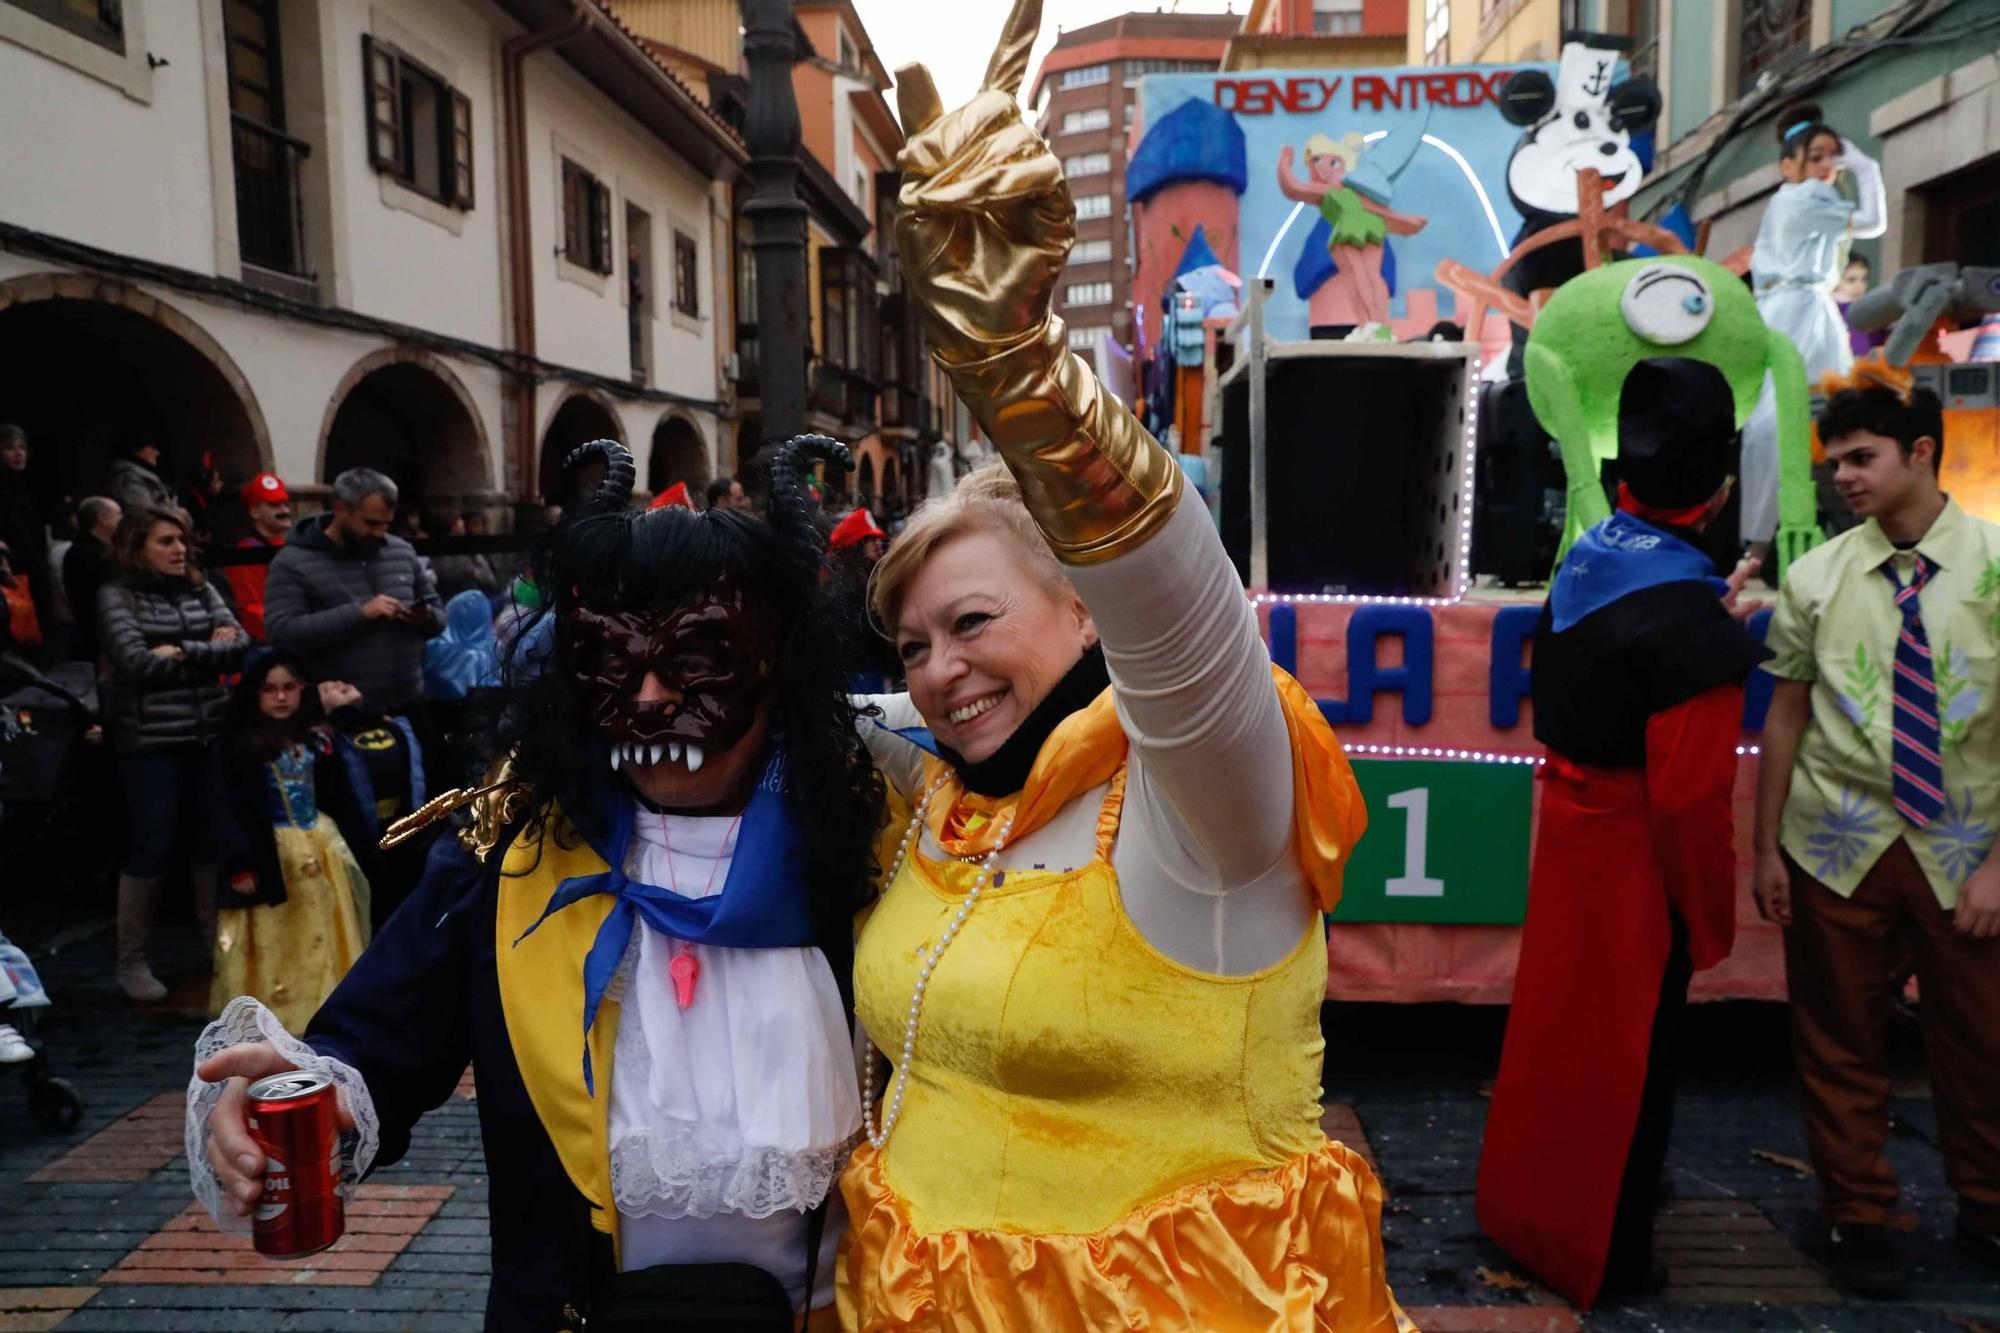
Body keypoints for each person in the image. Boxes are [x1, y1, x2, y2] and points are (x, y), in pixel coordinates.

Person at [835, 12, 1400, 1326]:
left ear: (1084, 613)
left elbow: (1190, 631)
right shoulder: (935, 808)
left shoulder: (1205, 809)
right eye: (912, 644)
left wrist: (1020, 379)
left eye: (973, 623)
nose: (938, 672)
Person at [189, 438, 883, 1331]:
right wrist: (314, 1100)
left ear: (777, 666)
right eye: (611, 662)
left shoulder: (872, 842)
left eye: (697, 658)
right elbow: (381, 1034)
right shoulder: (512, 853)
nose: (647, 699)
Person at [1476, 359, 1772, 1307]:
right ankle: (1603, 1245)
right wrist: (1707, 917)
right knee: (1627, 1058)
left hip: (1571, 841)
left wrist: (1705, 606)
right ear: (1720, 491)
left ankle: (1524, 1199)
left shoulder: (1592, 556)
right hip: (1634, 866)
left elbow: (1632, 629)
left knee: (1553, 1037)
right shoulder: (1692, 625)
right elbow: (1690, 803)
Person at [1755, 360, 2000, 1299]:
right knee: (1838, 1040)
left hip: (1967, 852)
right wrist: (1765, 846)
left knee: (1981, 1042)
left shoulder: (1990, 569)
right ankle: (1859, 1215)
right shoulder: (1816, 575)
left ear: (1922, 453)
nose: (1844, 476)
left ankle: (1986, 1205)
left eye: (1863, 458)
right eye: (1836, 462)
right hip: (1836, 843)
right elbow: (1785, 716)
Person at [98, 505, 248, 1001]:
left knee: (209, 842)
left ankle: (215, 948)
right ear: (137, 546)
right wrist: (205, 647)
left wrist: (180, 652)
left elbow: (238, 645)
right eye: (165, 541)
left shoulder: (202, 589)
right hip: (151, 741)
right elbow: (136, 662)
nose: (179, 549)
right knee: (152, 846)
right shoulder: (116, 596)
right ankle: (131, 960)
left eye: (182, 540)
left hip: (207, 732)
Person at [1739, 102, 1885, 551]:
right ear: (1789, 164)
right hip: (1799, 310)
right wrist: (1867, 169)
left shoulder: (1796, 199)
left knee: (1798, 414)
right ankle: (1767, 539)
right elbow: (1875, 221)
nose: (1828, 165)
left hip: (1796, 307)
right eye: (1816, 156)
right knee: (1793, 415)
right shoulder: (1805, 198)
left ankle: (1760, 539)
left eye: (1832, 155)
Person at [206, 650, 376, 1032]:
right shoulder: (238, 747)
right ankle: (280, 1013)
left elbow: (345, 797)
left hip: (320, 850)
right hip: (271, 855)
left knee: (324, 927)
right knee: (276, 933)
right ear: (254, 694)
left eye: (289, 688)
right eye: (269, 690)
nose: (280, 698)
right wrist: (240, 863)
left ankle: (325, 1005)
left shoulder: (317, 741)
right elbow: (224, 810)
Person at [265, 467, 444, 718]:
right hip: (341, 715)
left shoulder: (401, 551)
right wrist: (362, 613)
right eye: (370, 523)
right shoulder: (293, 561)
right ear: (340, 509)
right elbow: (282, 633)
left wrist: (425, 618)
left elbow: (438, 614)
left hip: (409, 704)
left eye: (386, 524)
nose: (379, 532)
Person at [1276, 132, 1426, 334]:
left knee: (1372, 277)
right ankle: (1368, 324)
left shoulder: (1355, 192)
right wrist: (1285, 163)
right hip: (1347, 233)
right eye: (1317, 161)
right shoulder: (1326, 193)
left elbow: (1378, 211)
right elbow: (1293, 187)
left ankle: (1378, 325)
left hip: (1371, 231)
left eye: (1333, 162)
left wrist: (1406, 221)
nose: (1323, 167)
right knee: (1358, 277)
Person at [0, 424, 53, 643]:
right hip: (11, 570)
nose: (19, 453)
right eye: (10, 447)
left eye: (22, 447)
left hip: (33, 566)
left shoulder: (24, 486)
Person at [223, 472, 292, 641]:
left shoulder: (292, 546)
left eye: (285, 504)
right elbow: (251, 611)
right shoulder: (246, 553)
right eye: (274, 505)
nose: (284, 510)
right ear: (255, 512)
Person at [61, 496, 120, 664]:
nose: (122, 520)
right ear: (102, 518)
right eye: (118, 514)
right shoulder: (87, 554)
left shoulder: (103, 550)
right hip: (99, 639)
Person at [106, 439, 177, 514]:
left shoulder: (144, 474)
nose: (157, 453)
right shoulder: (129, 476)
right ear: (137, 449)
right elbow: (142, 512)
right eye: (152, 448)